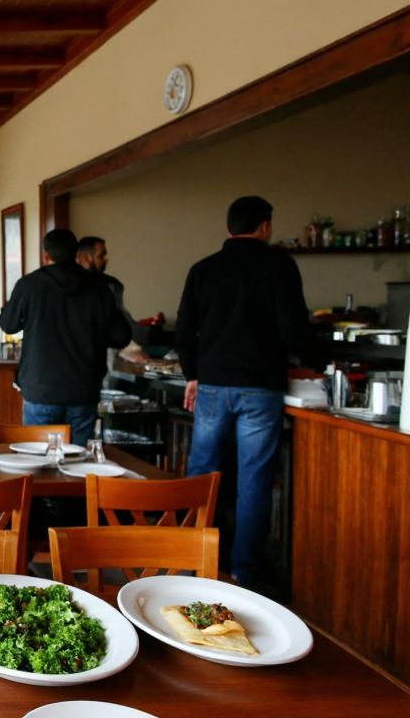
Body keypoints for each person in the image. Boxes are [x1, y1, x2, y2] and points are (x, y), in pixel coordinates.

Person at [175, 196, 310, 589]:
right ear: (265, 226)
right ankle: (244, 572)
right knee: (254, 480)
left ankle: (192, 563)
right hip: (261, 386)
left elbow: (185, 330)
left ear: (229, 227)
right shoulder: (279, 265)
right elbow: (294, 325)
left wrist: (192, 374)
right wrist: (313, 360)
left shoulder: (204, 270)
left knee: (203, 475)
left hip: (213, 384)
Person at [0, 228, 132, 444]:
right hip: (83, 388)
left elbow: (8, 324)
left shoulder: (30, 285)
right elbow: (121, 336)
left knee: (38, 461)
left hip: (41, 387)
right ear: (76, 254)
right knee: (77, 464)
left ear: (45, 256)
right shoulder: (98, 288)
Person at [78, 236, 148, 365]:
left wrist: (131, 349)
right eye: (101, 255)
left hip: (103, 360)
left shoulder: (112, 285)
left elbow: (120, 323)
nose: (106, 260)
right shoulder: (71, 287)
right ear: (86, 258)